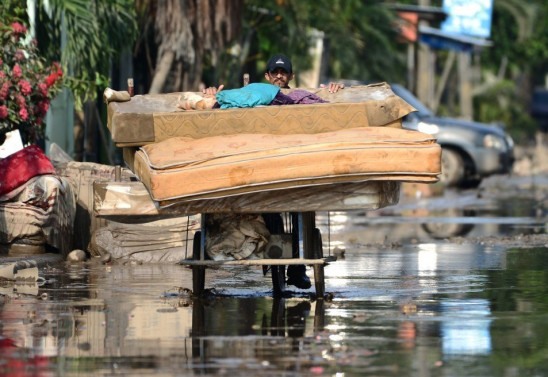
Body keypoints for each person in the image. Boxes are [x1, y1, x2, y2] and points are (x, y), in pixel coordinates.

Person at [204, 54, 344, 290]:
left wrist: (335, 90)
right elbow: (222, 106)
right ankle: (280, 266)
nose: (279, 76)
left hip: (296, 167)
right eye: (275, 72)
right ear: (267, 76)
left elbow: (328, 105)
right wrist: (209, 96)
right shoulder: (255, 96)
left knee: (300, 215)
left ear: (290, 76)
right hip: (262, 170)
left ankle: (297, 268)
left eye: (284, 72)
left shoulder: (298, 98)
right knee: (272, 218)